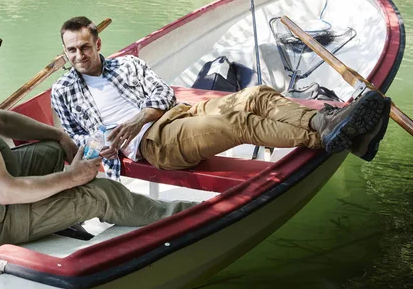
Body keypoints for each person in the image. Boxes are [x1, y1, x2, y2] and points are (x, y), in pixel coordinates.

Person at [0, 0, 196, 252]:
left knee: (53, 150)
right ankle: (190, 216)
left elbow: (0, 119)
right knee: (102, 193)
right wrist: (73, 179)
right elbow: (6, 192)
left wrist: (59, 134)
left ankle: (64, 218)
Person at [51, 16, 390, 176]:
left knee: (256, 95)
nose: (79, 55)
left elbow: (161, 93)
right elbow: (76, 138)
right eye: (71, 50)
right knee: (237, 122)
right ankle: (331, 136)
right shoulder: (63, 91)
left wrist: (139, 115)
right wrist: (104, 146)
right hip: (153, 145)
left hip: (176, 115)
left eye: (85, 47)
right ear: (64, 52)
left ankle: (323, 121)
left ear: (98, 44)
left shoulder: (126, 65)